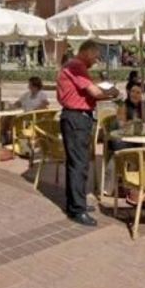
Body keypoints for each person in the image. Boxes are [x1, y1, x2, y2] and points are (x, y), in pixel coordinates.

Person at [57, 40, 119, 226]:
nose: (96, 60)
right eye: (95, 56)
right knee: (79, 164)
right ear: (86, 52)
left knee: (76, 163)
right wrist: (112, 92)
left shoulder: (73, 65)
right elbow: (95, 93)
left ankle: (75, 204)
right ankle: (77, 209)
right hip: (76, 118)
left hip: (74, 118)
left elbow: (87, 91)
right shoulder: (76, 66)